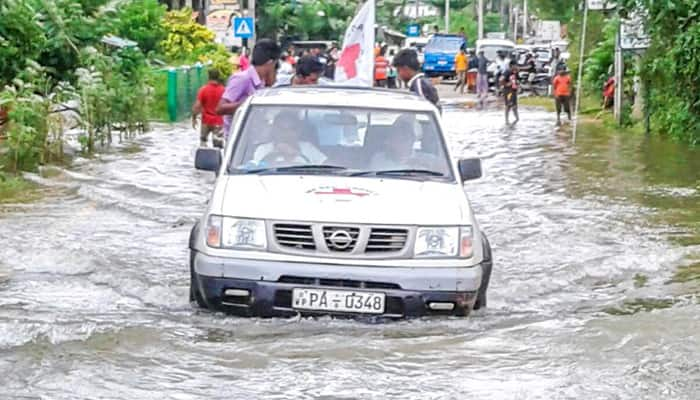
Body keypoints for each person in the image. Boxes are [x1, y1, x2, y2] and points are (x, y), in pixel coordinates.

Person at [217, 39, 281, 138]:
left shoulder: (261, 81)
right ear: (271, 62)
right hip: (238, 138)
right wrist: (248, 104)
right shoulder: (243, 79)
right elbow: (220, 108)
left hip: (255, 136)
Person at [252, 110, 326, 165]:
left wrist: (298, 153)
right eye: (281, 129)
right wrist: (274, 153)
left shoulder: (308, 148)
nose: (286, 133)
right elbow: (256, 170)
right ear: (274, 130)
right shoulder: (263, 149)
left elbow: (327, 166)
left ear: (298, 131)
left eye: (291, 129)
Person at [192, 69, 226, 148]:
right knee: (218, 146)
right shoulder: (223, 90)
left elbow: (197, 106)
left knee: (203, 144)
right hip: (218, 121)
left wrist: (194, 118)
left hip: (206, 121)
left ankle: (203, 159)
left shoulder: (203, 90)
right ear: (218, 77)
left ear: (209, 77)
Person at [502, 60, 519, 125]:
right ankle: (507, 120)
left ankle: (516, 119)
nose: (517, 66)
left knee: (514, 106)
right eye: (515, 65)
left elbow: (516, 81)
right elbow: (501, 79)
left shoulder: (515, 72)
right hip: (508, 91)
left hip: (513, 91)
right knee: (508, 105)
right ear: (512, 66)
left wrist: (517, 86)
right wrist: (506, 84)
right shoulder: (507, 72)